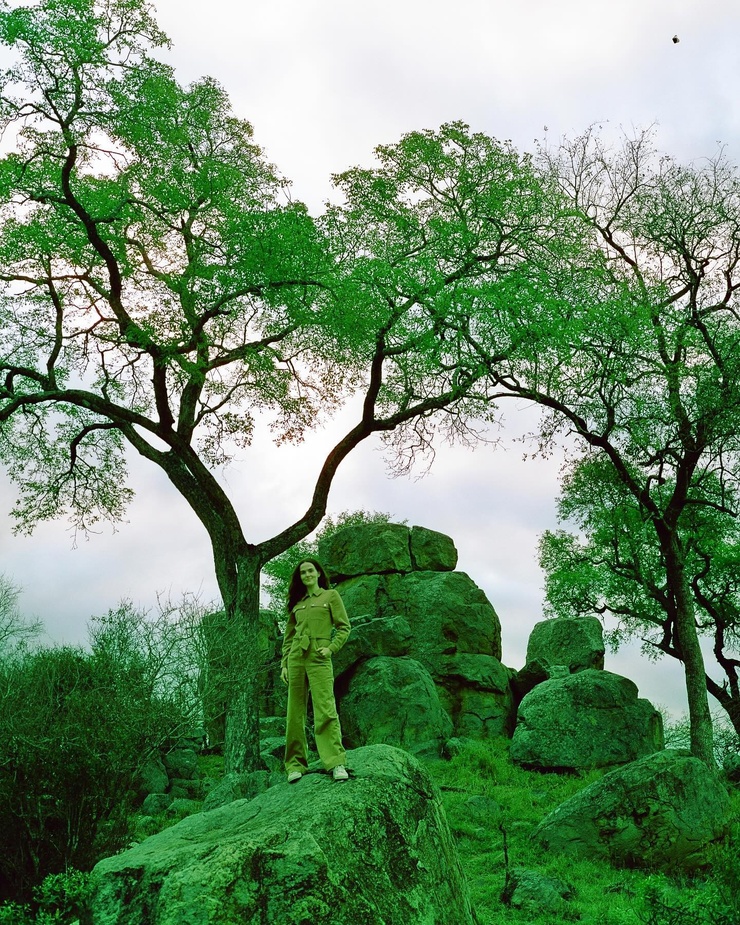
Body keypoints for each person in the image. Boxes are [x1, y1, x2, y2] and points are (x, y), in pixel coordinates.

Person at [281, 558, 351, 782]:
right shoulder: (297, 603)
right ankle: (295, 766)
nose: (307, 575)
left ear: (319, 573)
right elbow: (288, 638)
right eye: (303, 572)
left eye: (310, 570)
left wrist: (331, 648)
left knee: (325, 708)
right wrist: (284, 664)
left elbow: (344, 627)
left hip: (319, 656)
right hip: (296, 658)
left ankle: (335, 763)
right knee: (294, 714)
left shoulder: (331, 596)